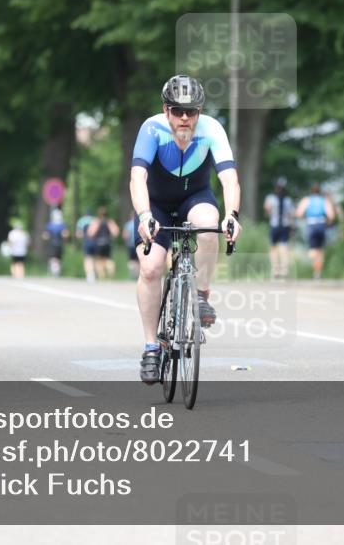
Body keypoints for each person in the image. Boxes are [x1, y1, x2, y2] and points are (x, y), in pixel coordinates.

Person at [130, 74, 241, 384]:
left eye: (190, 111)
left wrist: (231, 215)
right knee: (151, 268)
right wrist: (143, 215)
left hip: (195, 197)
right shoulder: (151, 129)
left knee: (208, 224)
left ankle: (202, 294)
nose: (183, 117)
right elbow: (137, 177)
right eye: (177, 110)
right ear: (166, 110)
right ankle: (152, 347)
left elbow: (229, 179)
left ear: (199, 112)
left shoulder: (212, 130)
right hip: (156, 204)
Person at [295, 182, 335, 279]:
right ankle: (317, 272)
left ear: (311, 191)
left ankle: (315, 268)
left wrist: (305, 218)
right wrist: (328, 223)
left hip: (311, 224)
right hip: (321, 224)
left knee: (313, 250)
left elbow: (298, 213)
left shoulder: (307, 200)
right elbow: (331, 215)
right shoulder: (324, 201)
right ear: (319, 191)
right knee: (320, 250)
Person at [263, 177, 294, 279]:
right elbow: (267, 212)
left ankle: (284, 270)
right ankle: (275, 270)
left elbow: (291, 214)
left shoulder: (288, 200)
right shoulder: (271, 198)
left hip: (284, 225)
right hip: (275, 224)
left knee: (284, 247)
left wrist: (292, 227)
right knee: (273, 247)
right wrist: (268, 210)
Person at [88, 206, 120, 280]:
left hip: (99, 243)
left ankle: (102, 276)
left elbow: (91, 233)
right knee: (109, 259)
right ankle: (110, 276)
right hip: (108, 242)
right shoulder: (110, 222)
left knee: (99, 260)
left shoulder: (96, 221)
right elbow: (116, 232)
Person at [42, 209, 69, 277]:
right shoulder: (62, 225)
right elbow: (65, 235)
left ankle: (53, 270)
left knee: (52, 257)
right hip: (59, 244)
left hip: (52, 244)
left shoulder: (50, 225)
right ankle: (56, 270)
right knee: (58, 258)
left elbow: (45, 236)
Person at [75, 209, 97, 282]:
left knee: (88, 258)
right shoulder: (95, 220)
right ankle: (95, 273)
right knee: (95, 258)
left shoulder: (81, 221)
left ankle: (90, 275)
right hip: (96, 242)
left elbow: (78, 234)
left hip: (87, 242)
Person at [121, 212, 139, 280]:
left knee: (132, 260)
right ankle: (138, 275)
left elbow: (126, 235)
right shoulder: (140, 223)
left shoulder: (128, 224)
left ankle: (133, 274)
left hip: (131, 245)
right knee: (139, 261)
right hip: (139, 244)